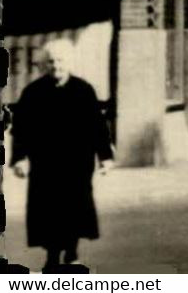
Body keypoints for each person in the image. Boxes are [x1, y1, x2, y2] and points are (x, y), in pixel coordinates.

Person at [11, 39, 114, 272]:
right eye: (51, 61)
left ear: (69, 63)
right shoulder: (33, 93)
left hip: (77, 162)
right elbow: (22, 130)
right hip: (45, 163)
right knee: (48, 209)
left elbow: (98, 127)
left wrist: (105, 157)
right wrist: (19, 158)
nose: (56, 65)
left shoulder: (83, 91)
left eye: (60, 60)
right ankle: (52, 254)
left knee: (74, 207)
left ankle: (71, 252)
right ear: (45, 65)